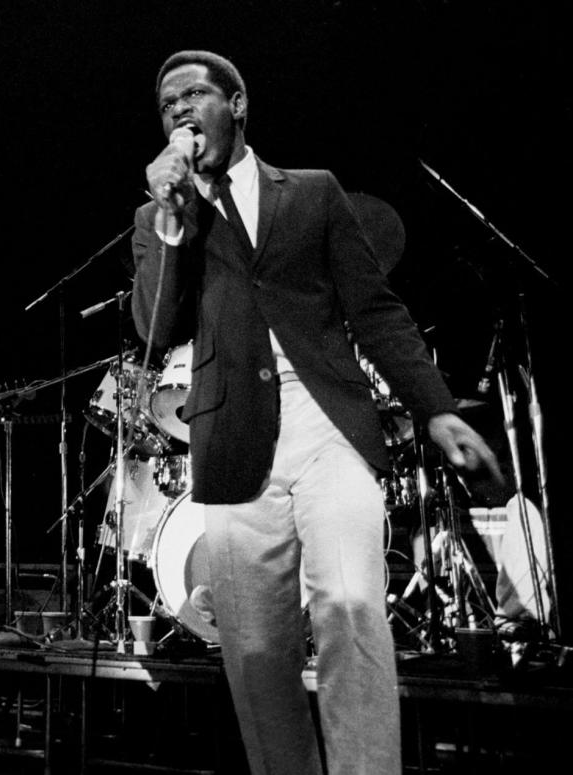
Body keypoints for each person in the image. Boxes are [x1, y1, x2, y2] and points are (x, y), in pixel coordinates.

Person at [131, 50, 502, 774]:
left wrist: (433, 407)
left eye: (194, 92)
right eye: (165, 101)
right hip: (234, 436)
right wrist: (172, 224)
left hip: (327, 424)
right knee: (256, 648)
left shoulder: (310, 192)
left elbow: (375, 309)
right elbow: (155, 324)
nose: (178, 108)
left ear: (235, 104)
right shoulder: (158, 217)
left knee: (352, 608)